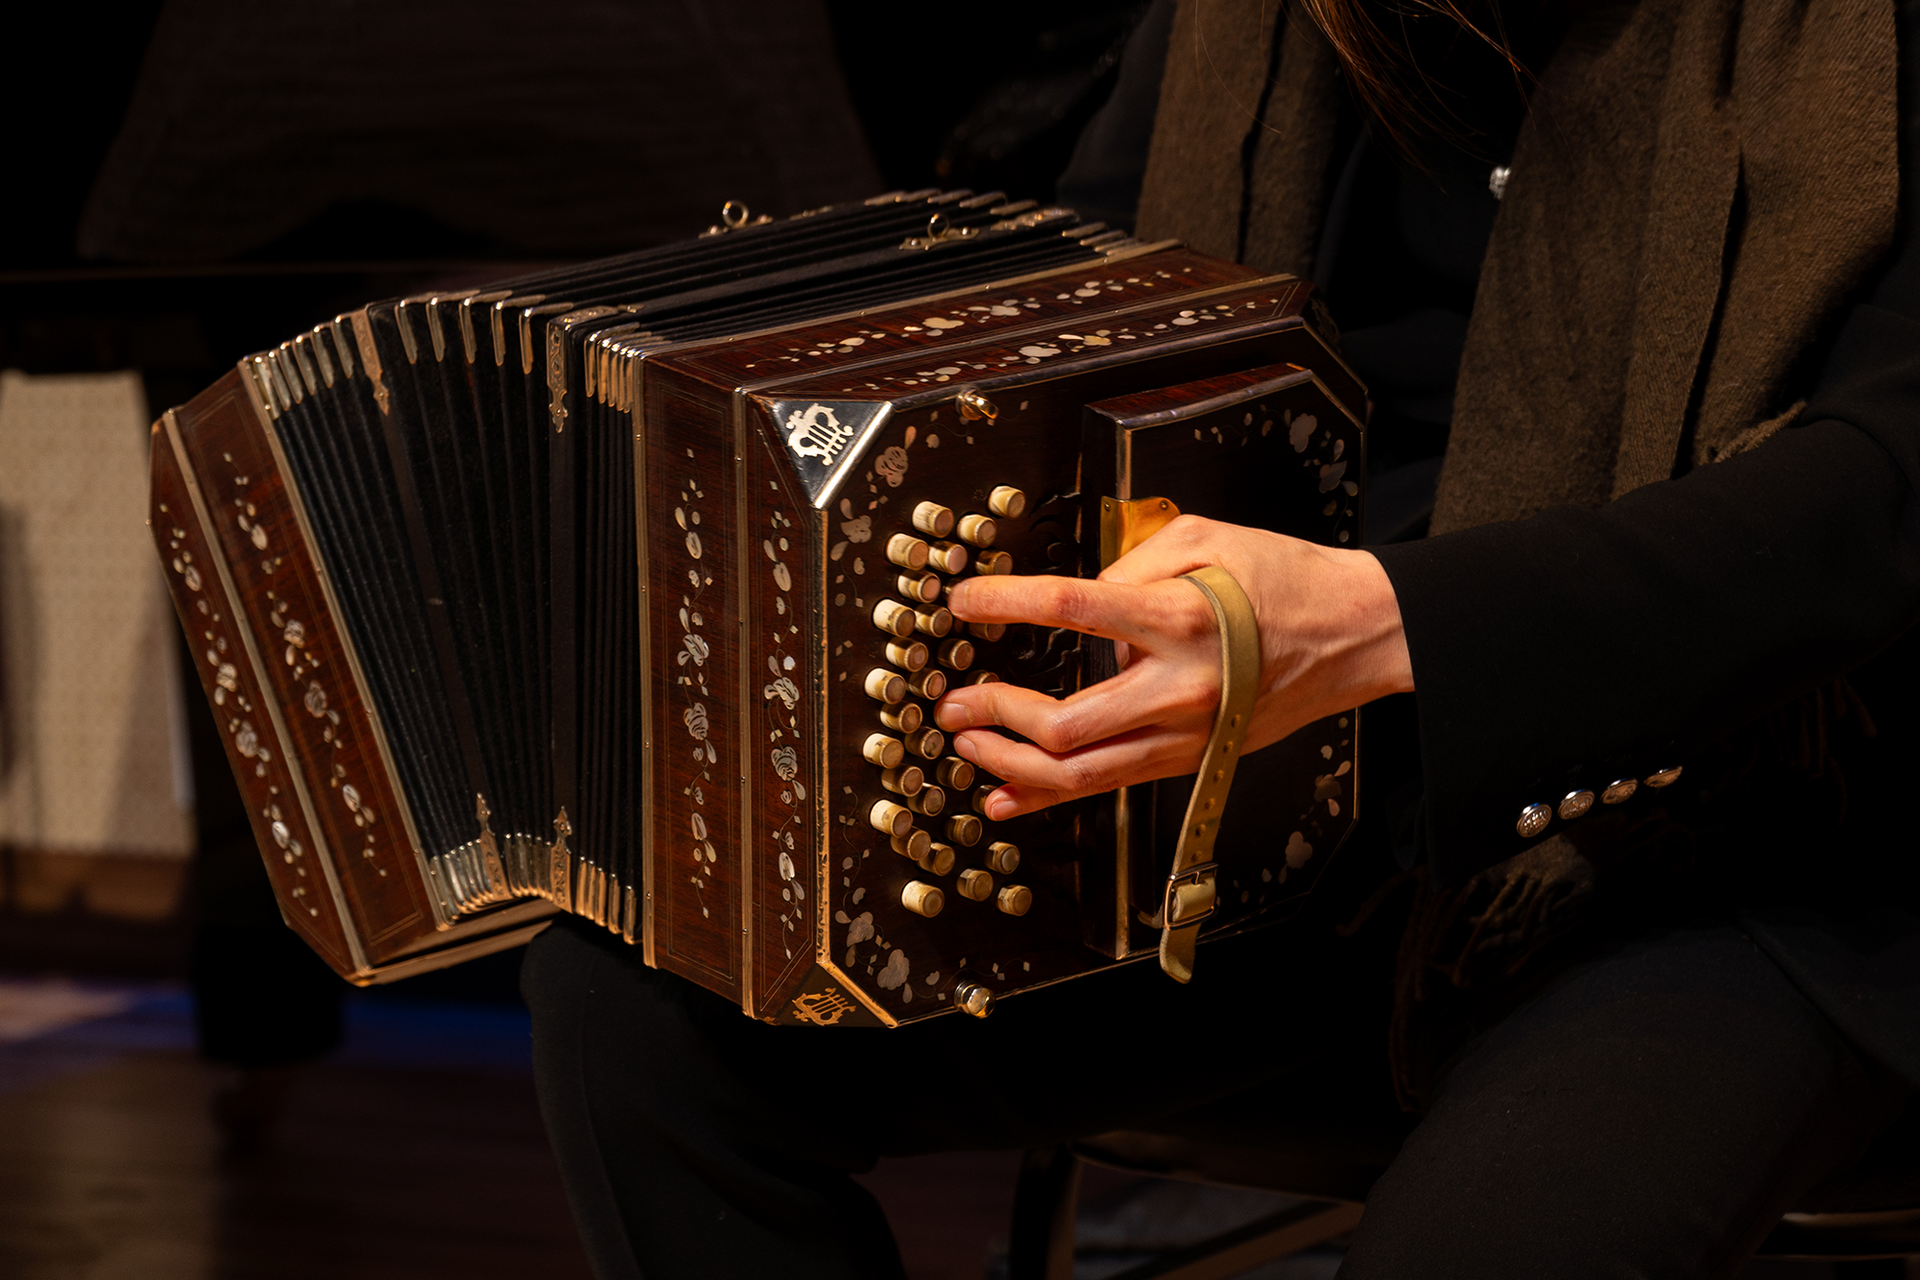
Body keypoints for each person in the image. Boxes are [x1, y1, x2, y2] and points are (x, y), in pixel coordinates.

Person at [520, 0, 1920, 1274]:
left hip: (1756, 825)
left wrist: (1383, 626)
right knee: (637, 1006)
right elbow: (1087, 289)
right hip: (1283, 812)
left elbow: (1884, 498)